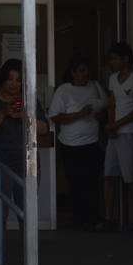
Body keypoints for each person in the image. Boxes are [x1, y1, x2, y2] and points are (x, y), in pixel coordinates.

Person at [0, 59, 49, 229]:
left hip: (27, 165)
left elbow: (44, 129)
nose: (14, 84)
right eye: (10, 79)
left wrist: (26, 116)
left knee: (28, 214)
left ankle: (27, 248)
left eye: (18, 80)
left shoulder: (29, 100)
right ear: (3, 79)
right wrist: (3, 113)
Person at [48, 55, 106, 231]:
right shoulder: (64, 90)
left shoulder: (94, 86)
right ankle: (78, 220)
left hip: (92, 143)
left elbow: (106, 108)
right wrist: (80, 114)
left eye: (87, 70)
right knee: (75, 182)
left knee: (92, 182)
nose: (85, 74)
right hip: (71, 145)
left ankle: (92, 218)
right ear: (73, 72)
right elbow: (55, 116)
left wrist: (99, 115)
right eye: (81, 70)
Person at [103, 42, 133, 233]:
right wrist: (111, 124)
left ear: (125, 59)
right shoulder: (113, 78)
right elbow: (112, 103)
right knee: (109, 175)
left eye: (115, 59)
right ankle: (109, 218)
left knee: (132, 178)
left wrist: (118, 124)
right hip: (115, 133)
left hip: (130, 132)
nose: (112, 62)